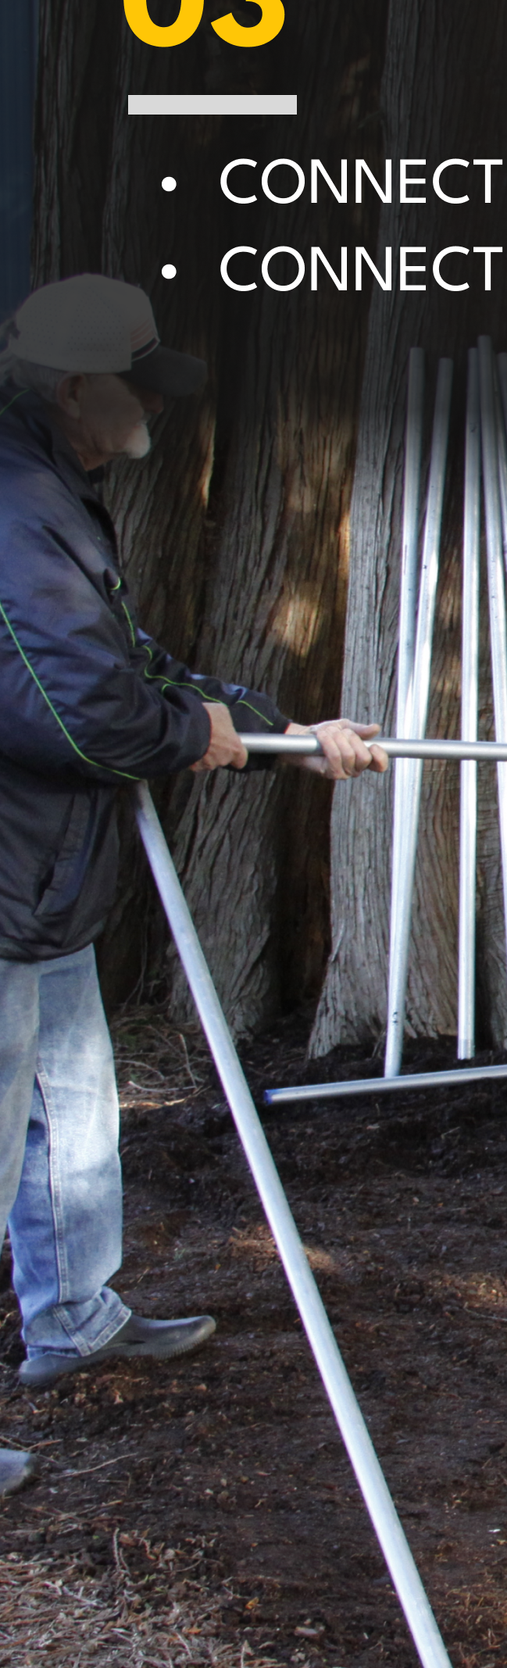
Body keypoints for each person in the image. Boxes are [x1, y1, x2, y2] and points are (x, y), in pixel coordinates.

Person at [0, 276, 387, 1485]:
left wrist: (276, 728)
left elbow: (129, 665)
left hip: (40, 878)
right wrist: (189, 733)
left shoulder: (55, 493)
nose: (153, 413)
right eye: (136, 389)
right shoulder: (16, 510)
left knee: (69, 1107)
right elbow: (81, 711)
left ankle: (72, 1317)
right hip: (4, 878)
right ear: (75, 392)